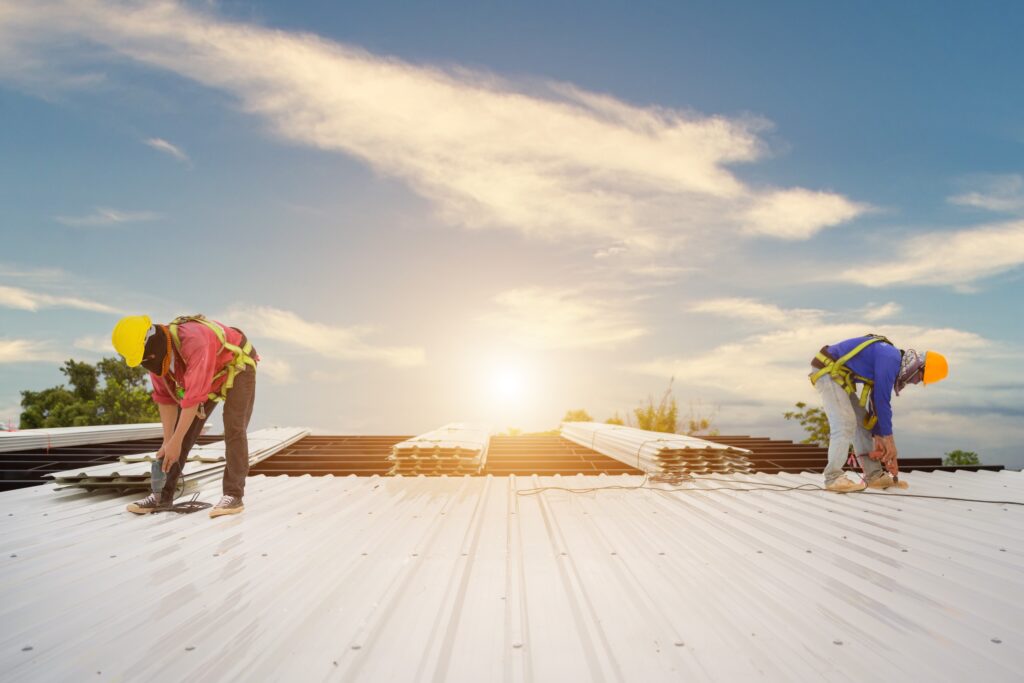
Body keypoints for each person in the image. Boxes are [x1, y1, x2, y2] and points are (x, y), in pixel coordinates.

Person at [111, 314, 258, 517]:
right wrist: (168, 441)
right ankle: (161, 496)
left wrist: (176, 440)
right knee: (177, 439)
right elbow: (165, 400)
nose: (147, 362)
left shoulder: (195, 340)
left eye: (147, 356)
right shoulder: (154, 360)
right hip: (210, 376)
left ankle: (233, 495)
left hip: (237, 365)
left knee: (234, 427)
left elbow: (193, 398)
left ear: (151, 340)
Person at [809, 334, 947, 492]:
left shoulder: (891, 360)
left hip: (838, 375)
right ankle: (833, 478)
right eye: (920, 378)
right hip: (826, 369)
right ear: (918, 366)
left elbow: (875, 399)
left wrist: (879, 435)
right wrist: (890, 443)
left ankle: (874, 476)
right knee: (845, 422)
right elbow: (882, 401)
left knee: (862, 423)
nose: (916, 382)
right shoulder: (891, 359)